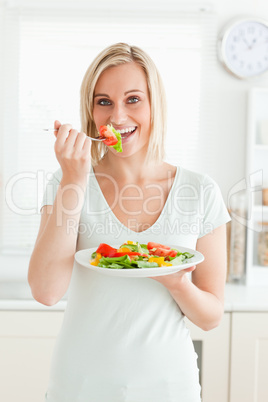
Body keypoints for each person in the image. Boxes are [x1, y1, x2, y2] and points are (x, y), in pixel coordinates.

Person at [28, 42, 230, 402]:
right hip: (79, 387)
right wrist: (74, 179)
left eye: (133, 99)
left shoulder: (199, 191)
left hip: (170, 388)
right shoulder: (67, 183)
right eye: (104, 101)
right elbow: (46, 292)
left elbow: (211, 317)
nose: (117, 118)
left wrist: (177, 283)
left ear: (155, 105)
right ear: (90, 111)